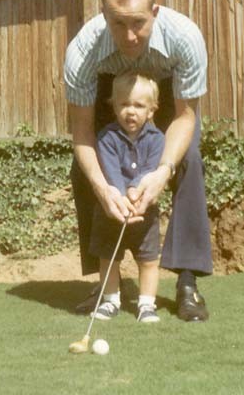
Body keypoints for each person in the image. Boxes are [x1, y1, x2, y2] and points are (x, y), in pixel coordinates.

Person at [64, 0, 212, 322]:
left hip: (164, 99)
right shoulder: (83, 51)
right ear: (104, 16)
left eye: (139, 24)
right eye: (118, 24)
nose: (129, 36)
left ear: (155, 11)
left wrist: (162, 172)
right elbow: (82, 132)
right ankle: (106, 285)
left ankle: (188, 283)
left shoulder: (185, 38)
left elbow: (185, 116)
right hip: (110, 94)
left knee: (188, 159)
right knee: (86, 169)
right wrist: (104, 188)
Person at [90, 71, 164, 323]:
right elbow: (109, 171)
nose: (130, 111)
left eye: (139, 106)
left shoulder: (157, 139)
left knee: (149, 259)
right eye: (124, 104)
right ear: (114, 106)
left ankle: (146, 304)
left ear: (151, 111)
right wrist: (122, 194)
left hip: (145, 211)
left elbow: (152, 169)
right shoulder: (107, 138)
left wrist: (136, 188)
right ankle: (110, 300)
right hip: (112, 209)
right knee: (109, 257)